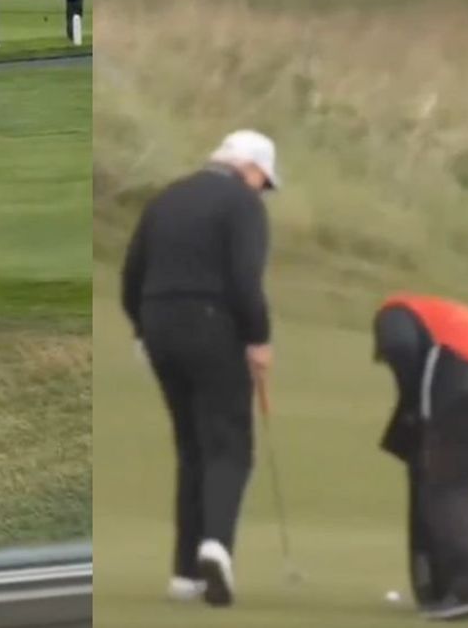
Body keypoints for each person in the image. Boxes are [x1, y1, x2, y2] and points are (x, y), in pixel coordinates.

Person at [120, 129, 279, 608]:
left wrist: (142, 329)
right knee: (228, 445)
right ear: (250, 168)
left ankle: (184, 573)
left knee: (191, 446)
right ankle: (215, 547)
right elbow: (244, 279)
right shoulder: (242, 204)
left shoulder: (167, 197)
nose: (262, 190)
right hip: (213, 325)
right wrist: (258, 339)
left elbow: (132, 274)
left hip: (158, 324)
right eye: (264, 181)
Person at [371, 294, 468, 621]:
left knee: (444, 488)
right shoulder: (454, 316)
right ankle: (446, 584)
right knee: (457, 487)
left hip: (465, 386)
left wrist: (414, 411)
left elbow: (401, 346)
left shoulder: (394, 309)